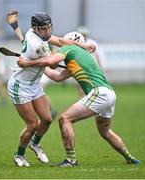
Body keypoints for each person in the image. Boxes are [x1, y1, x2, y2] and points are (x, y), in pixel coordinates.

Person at [17, 32, 140, 167]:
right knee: (105, 131)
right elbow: (57, 77)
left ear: (69, 41)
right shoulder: (81, 57)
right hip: (110, 94)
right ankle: (129, 157)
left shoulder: (69, 48)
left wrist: (29, 62)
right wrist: (40, 65)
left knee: (65, 119)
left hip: (99, 93)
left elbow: (51, 61)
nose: (60, 43)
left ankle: (71, 160)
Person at [7, 12, 95, 167]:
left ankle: (34, 143)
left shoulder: (35, 34)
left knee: (47, 119)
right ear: (35, 29)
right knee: (32, 124)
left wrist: (84, 45)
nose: (47, 31)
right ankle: (19, 155)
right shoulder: (38, 46)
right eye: (43, 29)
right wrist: (70, 62)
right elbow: (53, 64)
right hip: (19, 86)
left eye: (48, 27)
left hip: (34, 84)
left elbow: (60, 41)